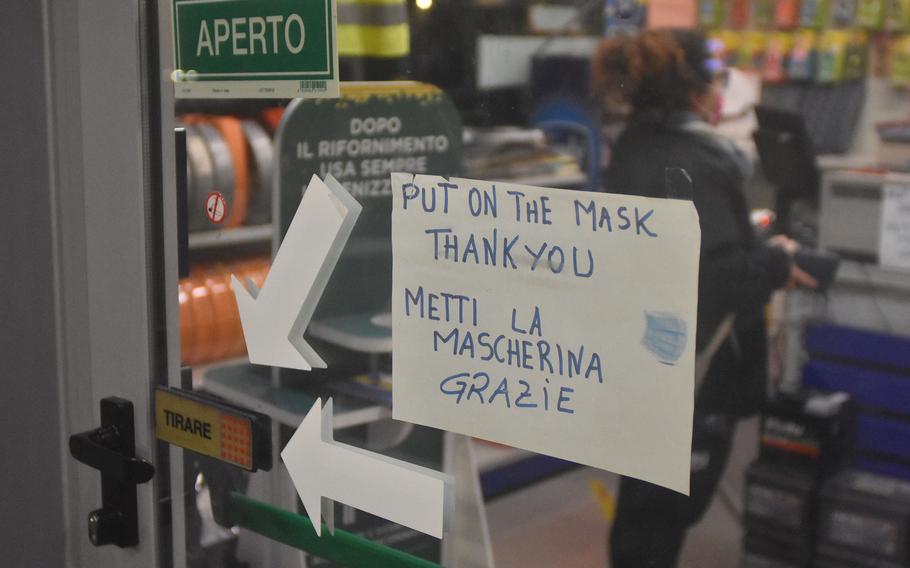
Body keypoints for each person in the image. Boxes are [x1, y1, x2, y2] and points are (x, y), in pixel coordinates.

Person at [592, 29, 816, 567]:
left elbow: (687, 249)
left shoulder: (637, 146)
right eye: (717, 81)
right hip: (693, 367)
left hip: (650, 355)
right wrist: (776, 263)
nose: (722, 94)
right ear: (693, 92)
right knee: (661, 512)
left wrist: (754, 248)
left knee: (646, 501)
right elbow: (712, 277)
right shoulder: (693, 158)